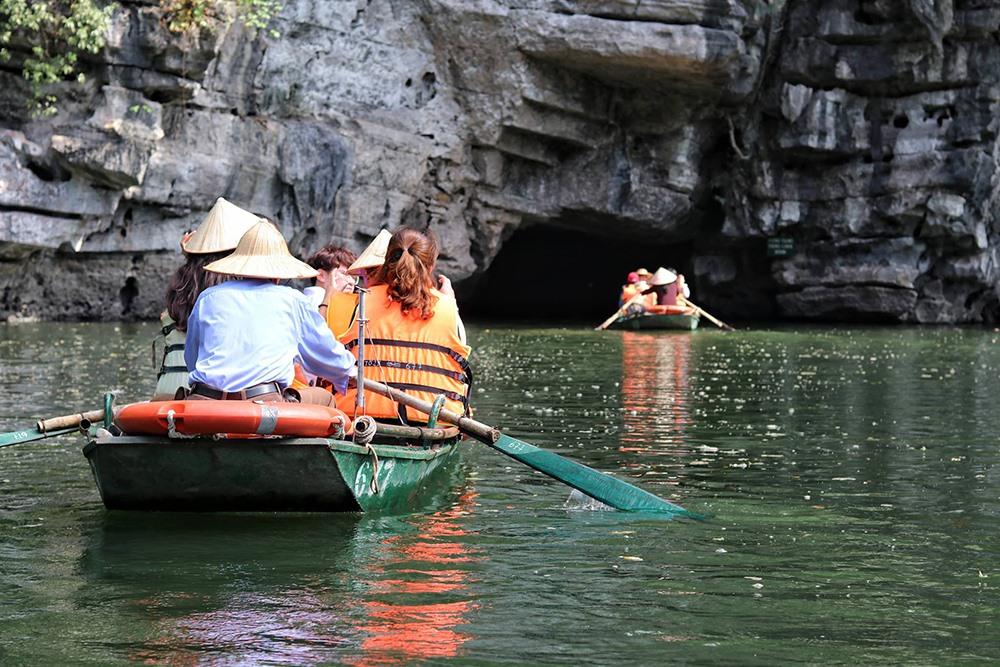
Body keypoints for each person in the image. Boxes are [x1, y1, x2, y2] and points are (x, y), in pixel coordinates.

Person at [183, 221, 356, 404]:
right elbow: (326, 354)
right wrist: (350, 371)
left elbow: (192, 358)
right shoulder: (293, 300)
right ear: (279, 272)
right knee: (326, 399)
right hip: (263, 401)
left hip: (205, 398)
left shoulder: (208, 297)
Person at [335, 227, 471, 423]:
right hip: (431, 421)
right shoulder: (448, 306)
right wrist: (452, 304)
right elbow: (460, 363)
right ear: (431, 266)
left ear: (387, 261)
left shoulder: (361, 302)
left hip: (360, 417)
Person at [151, 198, 261, 401]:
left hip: (165, 395)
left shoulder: (178, 295)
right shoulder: (237, 297)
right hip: (207, 397)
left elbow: (199, 278)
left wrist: (188, 255)